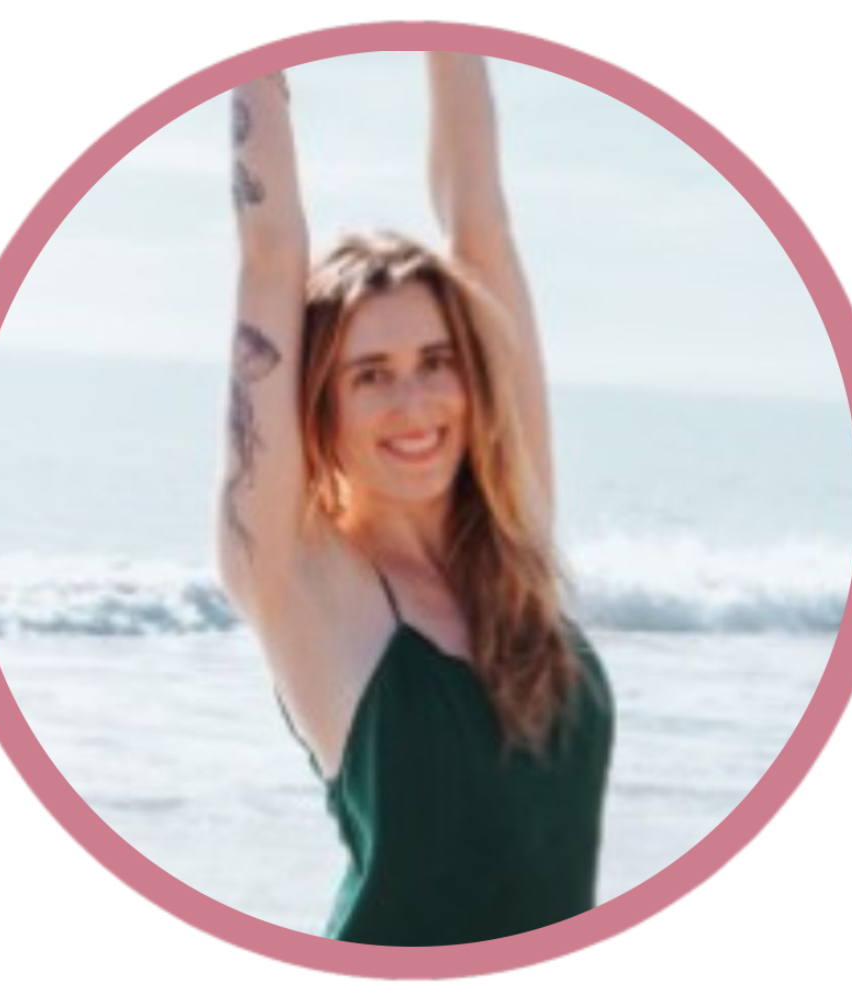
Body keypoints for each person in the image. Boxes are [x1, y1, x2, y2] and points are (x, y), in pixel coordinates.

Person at [217, 53, 614, 947]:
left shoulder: (516, 529)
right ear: (322, 405)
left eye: (437, 362)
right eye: (371, 375)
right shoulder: (301, 581)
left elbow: (481, 222)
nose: (415, 404)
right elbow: (271, 252)